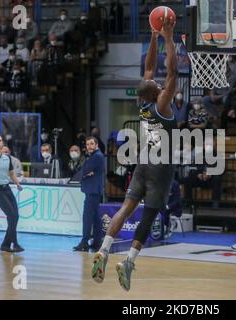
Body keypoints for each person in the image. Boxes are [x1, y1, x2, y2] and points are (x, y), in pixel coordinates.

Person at [92, 19, 177, 291]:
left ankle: (104, 250)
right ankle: (128, 260)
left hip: (142, 164)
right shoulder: (162, 103)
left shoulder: (142, 102)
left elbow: (150, 68)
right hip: (160, 167)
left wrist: (153, 36)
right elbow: (172, 72)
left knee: (126, 208)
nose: (159, 81)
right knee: (149, 216)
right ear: (156, 92)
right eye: (157, 84)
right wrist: (169, 37)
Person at [74, 137, 105, 252]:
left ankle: (84, 242)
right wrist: (86, 172)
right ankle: (97, 242)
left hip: (92, 191)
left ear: (96, 145)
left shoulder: (96, 156)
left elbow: (85, 170)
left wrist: (85, 173)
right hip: (94, 191)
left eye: (91, 144)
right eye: (87, 144)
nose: (89, 146)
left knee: (87, 216)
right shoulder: (95, 156)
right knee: (96, 217)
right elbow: (86, 171)